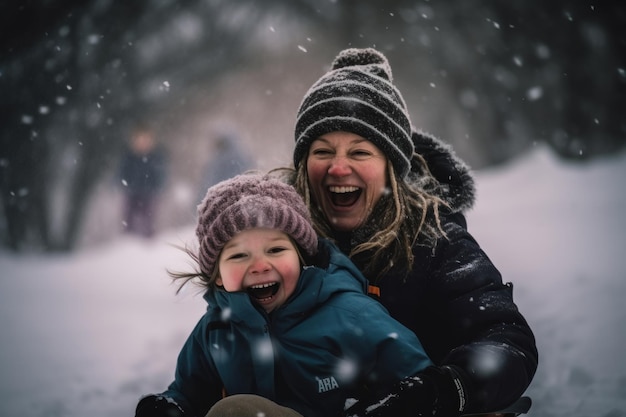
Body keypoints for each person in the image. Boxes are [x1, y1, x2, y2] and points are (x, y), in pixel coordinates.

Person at [280, 47, 538, 416]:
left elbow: (505, 339)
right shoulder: (281, 241)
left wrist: (443, 389)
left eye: (359, 152)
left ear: (391, 168)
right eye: (323, 151)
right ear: (304, 165)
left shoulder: (435, 240)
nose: (338, 168)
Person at [135, 173, 435, 417]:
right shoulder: (215, 330)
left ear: (301, 257)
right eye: (239, 256)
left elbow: (419, 382)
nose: (260, 265)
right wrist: (171, 407)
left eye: (276, 250)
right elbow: (189, 393)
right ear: (218, 276)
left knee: (237, 412)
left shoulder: (349, 314)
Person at [119, 125, 168, 238]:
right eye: (139, 139)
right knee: (129, 220)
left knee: (148, 220)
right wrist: (125, 184)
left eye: (145, 139)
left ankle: (148, 244)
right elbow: (122, 173)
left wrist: (157, 188)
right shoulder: (129, 157)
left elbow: (161, 176)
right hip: (132, 193)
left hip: (150, 194)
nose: (142, 143)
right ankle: (128, 242)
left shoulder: (156, 157)